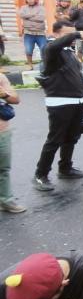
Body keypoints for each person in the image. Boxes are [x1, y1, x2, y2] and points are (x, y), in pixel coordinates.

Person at [33, 21, 83, 192]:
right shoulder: (51, 50)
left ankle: (65, 168)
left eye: (72, 34)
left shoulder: (68, 51)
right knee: (54, 140)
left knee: (72, 137)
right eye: (67, 34)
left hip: (77, 101)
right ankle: (40, 175)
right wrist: (76, 35)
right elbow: (52, 48)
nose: (71, 37)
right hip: (60, 103)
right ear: (56, 34)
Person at [0, 72, 24, 212]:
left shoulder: (1, 77)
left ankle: (6, 200)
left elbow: (15, 99)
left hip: (2, 132)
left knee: (3, 169)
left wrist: (4, 95)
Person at [18, 0, 47, 70]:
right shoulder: (23, 8)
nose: (30, 0)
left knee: (44, 49)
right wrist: (34, 15)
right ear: (26, 0)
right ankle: (30, 64)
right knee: (28, 50)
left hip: (40, 33)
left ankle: (45, 64)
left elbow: (41, 18)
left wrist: (28, 17)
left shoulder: (41, 8)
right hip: (28, 33)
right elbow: (21, 15)